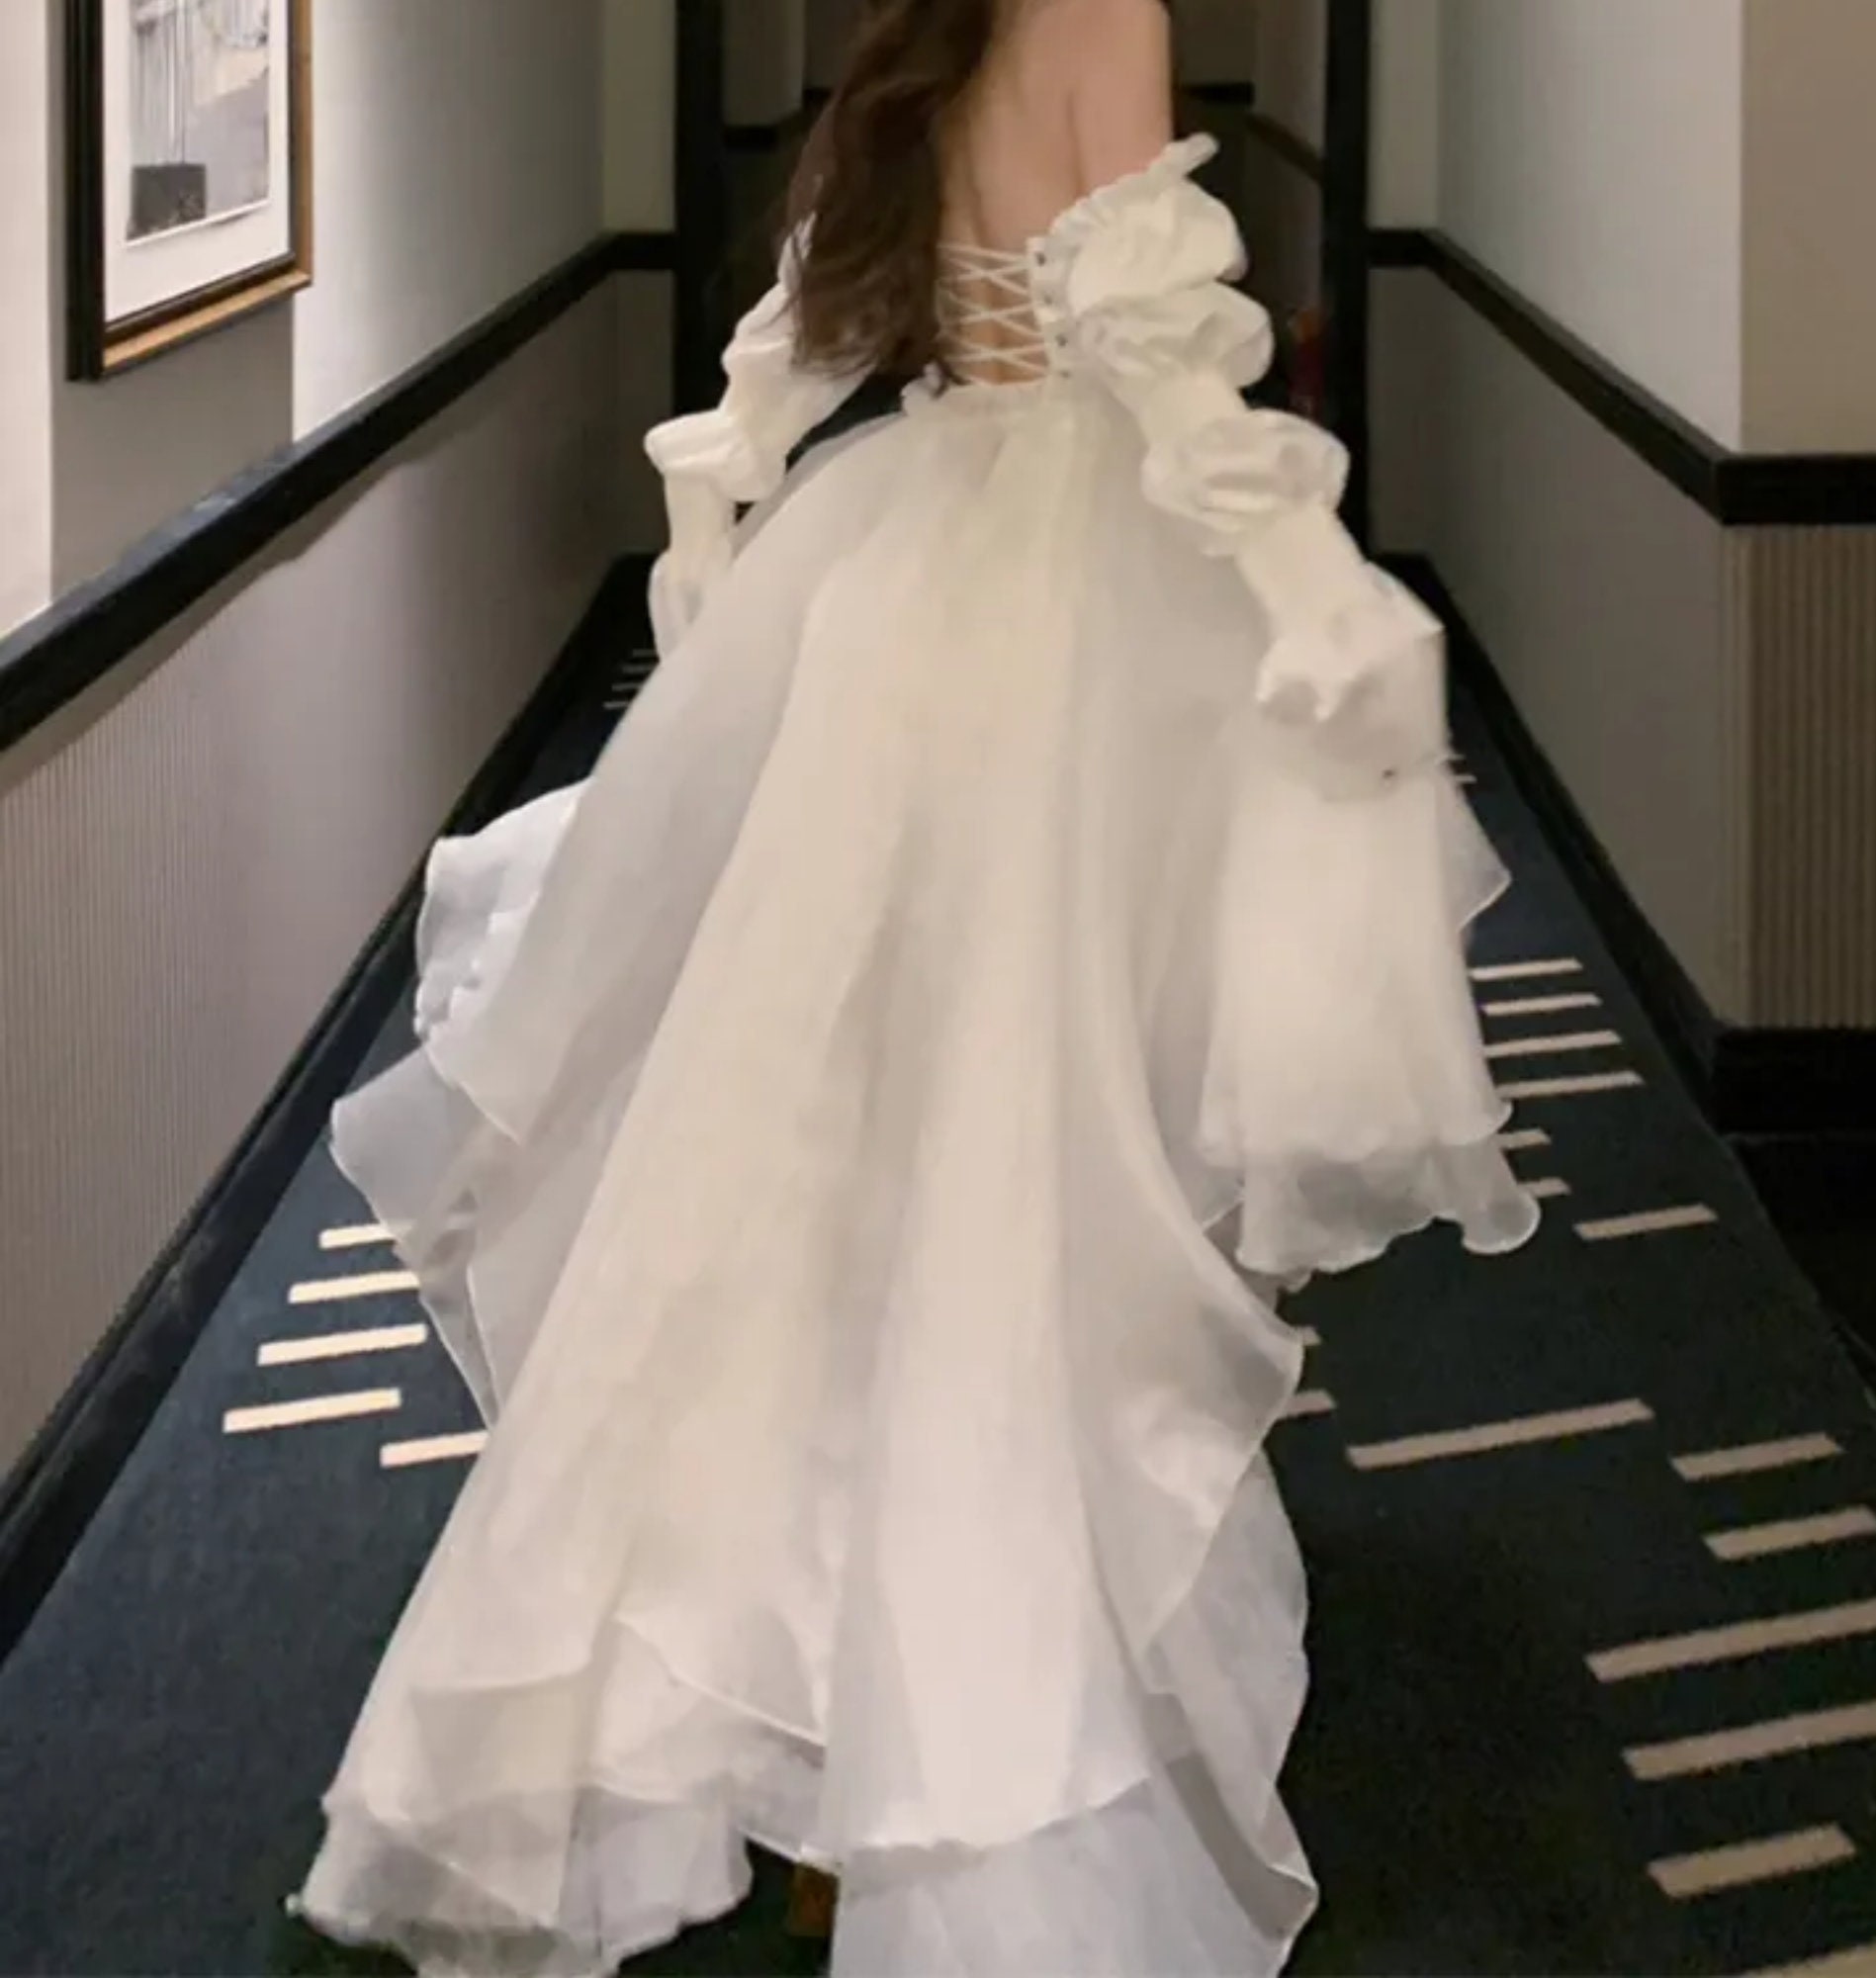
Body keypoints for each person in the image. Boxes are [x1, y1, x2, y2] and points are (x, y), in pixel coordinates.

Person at [293, 0, 1539, 1971]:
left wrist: (721, 497)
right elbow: (1154, 346)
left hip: (898, 566)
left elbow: (808, 324)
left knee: (851, 1131)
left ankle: (802, 1688)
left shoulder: (924, 29)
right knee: (1023, 1151)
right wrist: (1321, 588)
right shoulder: (1102, 5)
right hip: (1072, 608)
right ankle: (954, 1690)